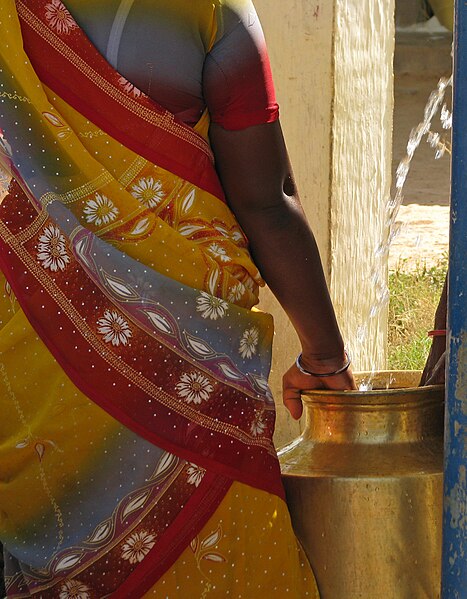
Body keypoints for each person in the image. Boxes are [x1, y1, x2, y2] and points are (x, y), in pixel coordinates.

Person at [0, 0, 355, 596]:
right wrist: (324, 356)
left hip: (30, 362)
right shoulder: (214, 14)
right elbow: (268, 203)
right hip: (191, 373)